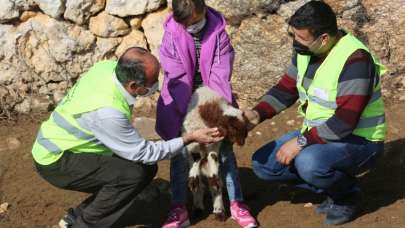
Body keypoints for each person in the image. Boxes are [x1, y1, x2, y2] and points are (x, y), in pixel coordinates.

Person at [32, 47, 224, 228]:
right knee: (131, 176)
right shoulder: (108, 112)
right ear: (133, 85)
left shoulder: (108, 69)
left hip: (70, 144)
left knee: (145, 169)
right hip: (56, 160)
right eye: (152, 83)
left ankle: (76, 217)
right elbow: (145, 153)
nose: (156, 85)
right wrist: (188, 138)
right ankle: (84, 225)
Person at [244, 1, 386, 225]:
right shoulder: (307, 52)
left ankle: (347, 195)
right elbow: (286, 88)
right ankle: (332, 182)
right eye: (293, 35)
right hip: (321, 135)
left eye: (301, 38)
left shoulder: (355, 60)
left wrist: (301, 142)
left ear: (324, 39)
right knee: (264, 165)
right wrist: (257, 113)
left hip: (360, 141)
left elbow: (344, 122)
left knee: (309, 163)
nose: (295, 42)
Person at [155, 0, 257, 227]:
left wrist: (216, 112)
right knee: (181, 152)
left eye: (196, 22)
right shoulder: (172, 33)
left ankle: (237, 203)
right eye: (187, 24)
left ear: (203, 11)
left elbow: (222, 70)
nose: (192, 27)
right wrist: (189, 114)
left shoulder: (218, 30)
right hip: (183, 101)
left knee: (225, 150)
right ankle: (179, 206)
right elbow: (176, 76)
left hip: (213, 97)